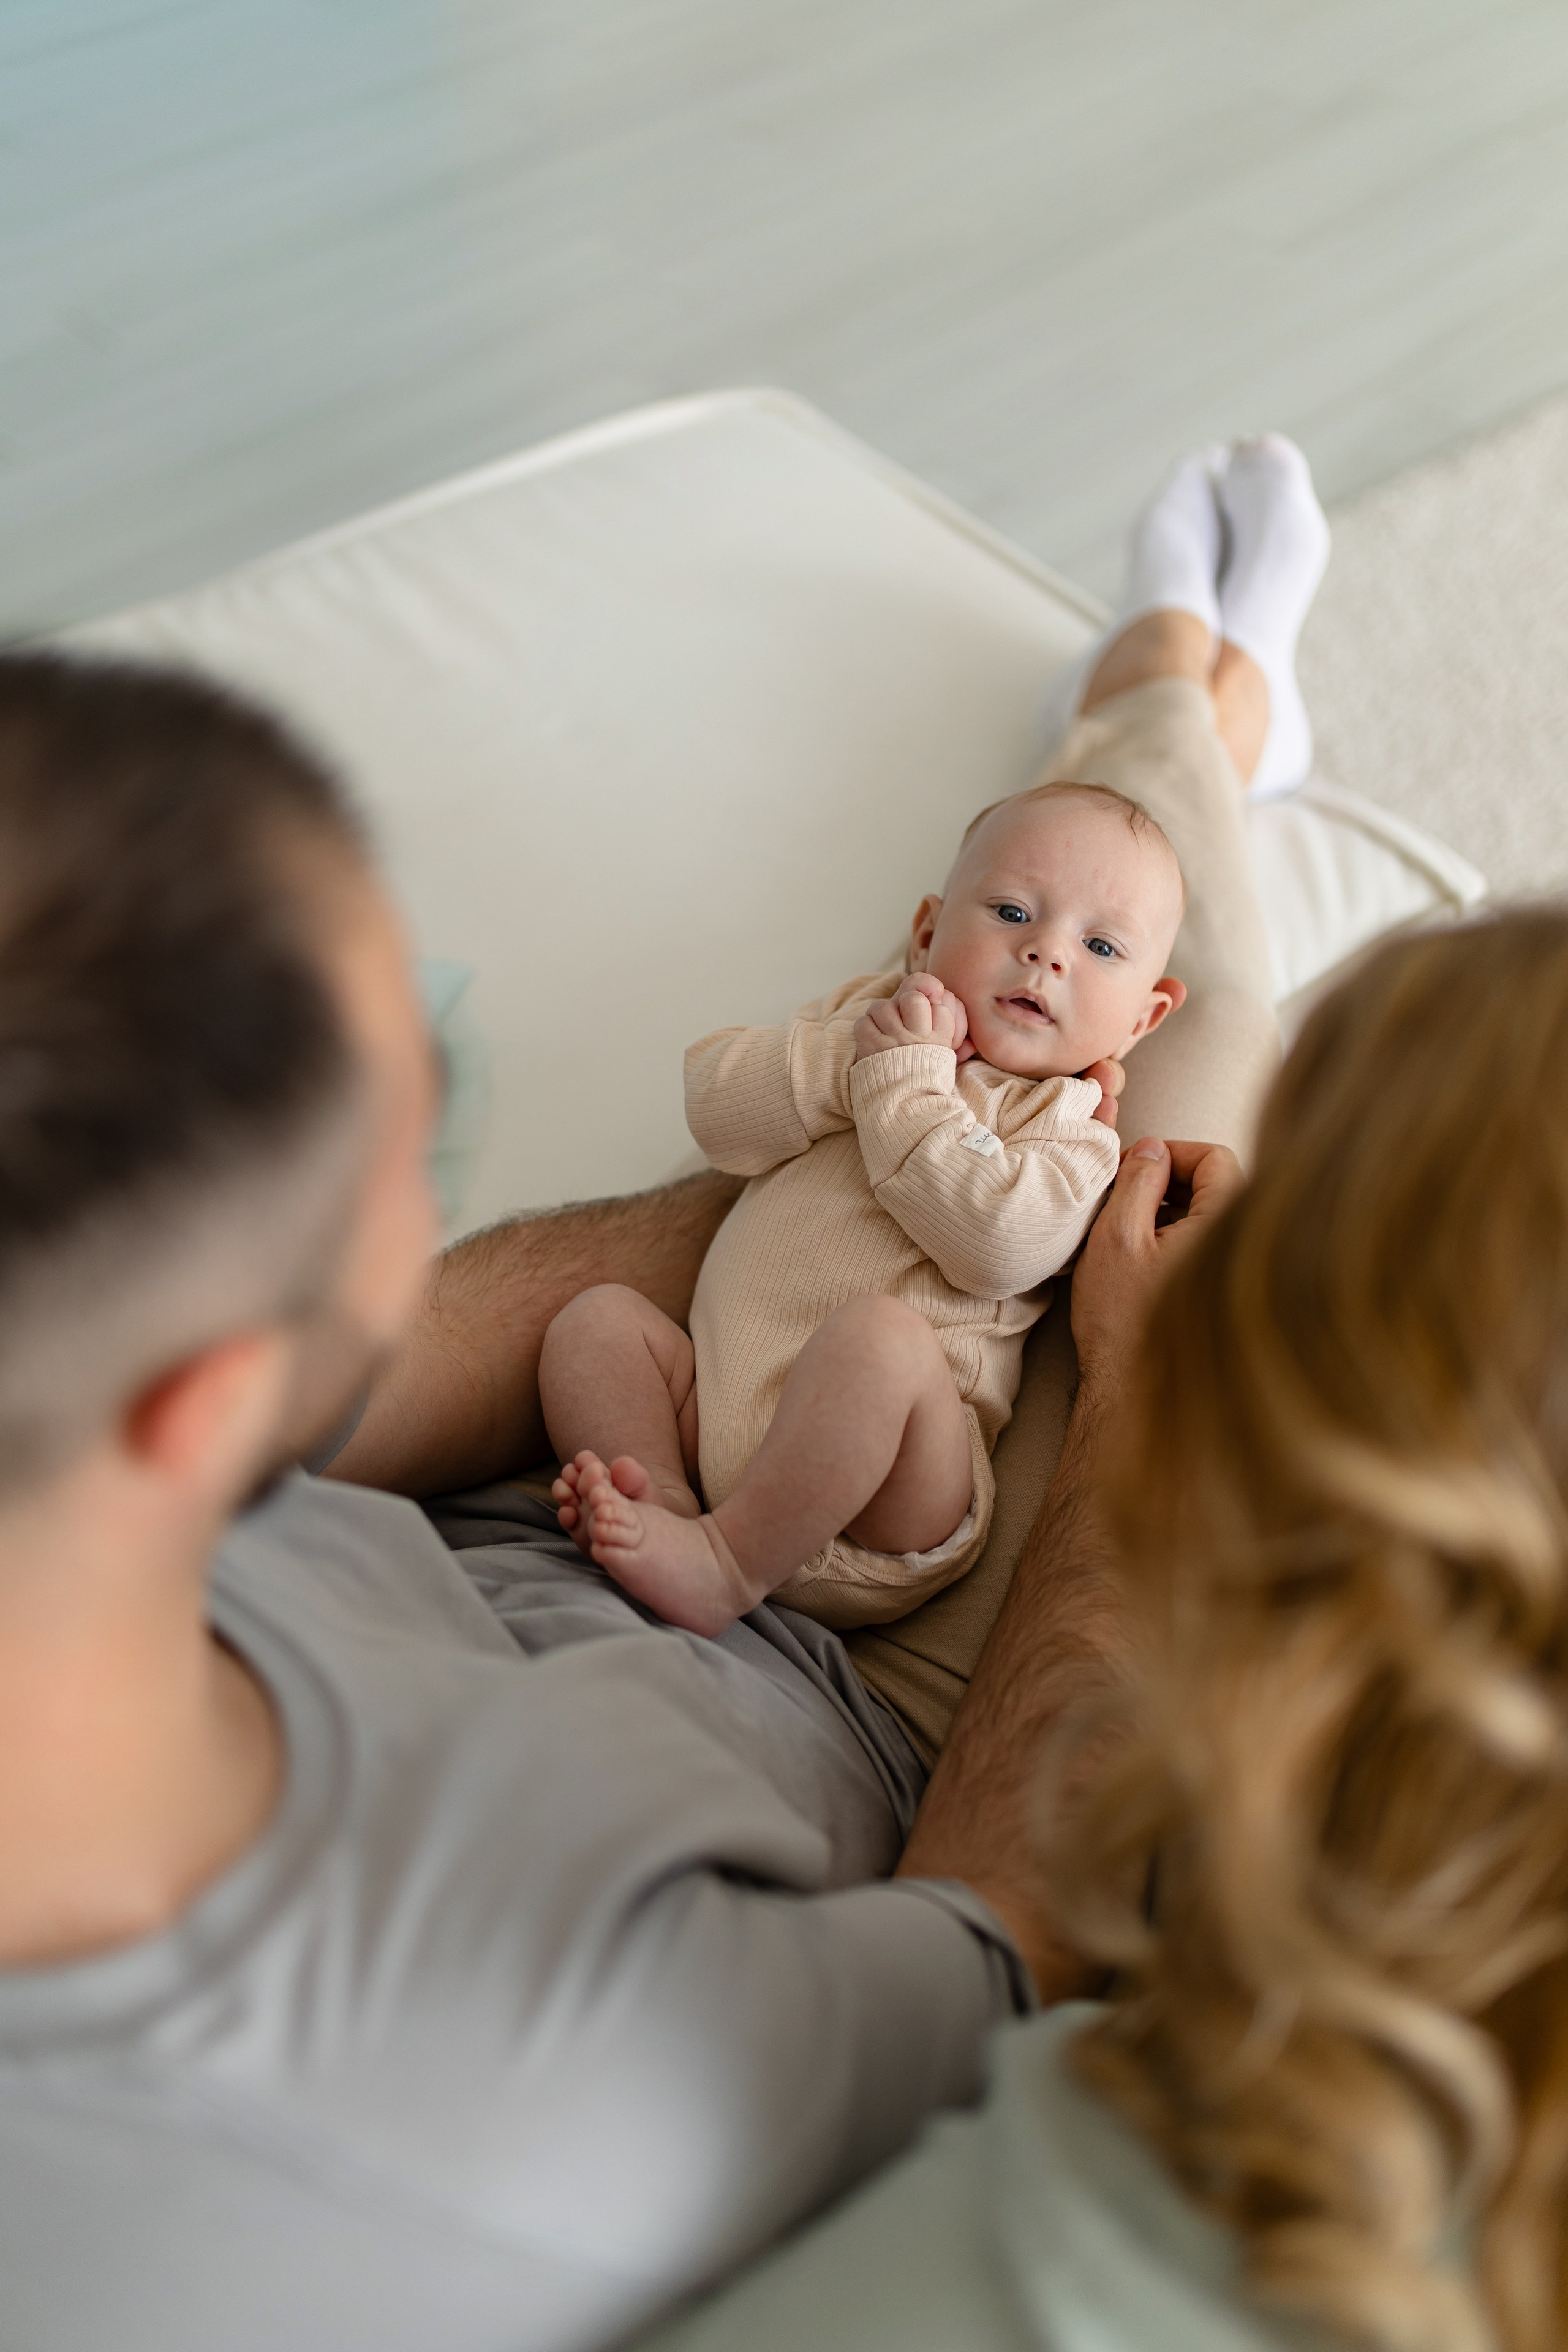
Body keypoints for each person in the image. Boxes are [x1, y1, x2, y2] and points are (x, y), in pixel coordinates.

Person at [0, 432, 1316, 2351]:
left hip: (650, 1447)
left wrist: (845, 1165)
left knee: (1052, 947)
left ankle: (1178, 694)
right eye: (410, 1174)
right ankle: (1185, 695)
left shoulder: (126, 1481)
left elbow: (435, 1334)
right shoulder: (585, 2088)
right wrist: (1142, 1412)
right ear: (210, 1399)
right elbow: (1009, 1936)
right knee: (1222, 1099)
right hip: (882, 1652)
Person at [636, 908, 1568, 2352]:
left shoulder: (1102, 2203)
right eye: (998, 919)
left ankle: (1180, 699)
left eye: (1288, 1244)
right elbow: (729, 1100)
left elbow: (960, 1974)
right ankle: (1182, 696)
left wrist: (1133, 1394)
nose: (1037, 954)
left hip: (865, 1596)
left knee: (1219, 1013)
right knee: (1217, 991)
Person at [541, 778, 1184, 1640]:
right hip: (718, 1410)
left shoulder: (1071, 1127)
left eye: (1102, 947)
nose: (1047, 954)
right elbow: (717, 1114)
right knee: (596, 1325)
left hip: (889, 1493)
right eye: (1010, 912)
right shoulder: (861, 1021)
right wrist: (851, 1055)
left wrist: (903, 1084)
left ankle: (727, 1566)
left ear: (1144, 1018)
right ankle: (660, 1509)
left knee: (882, 1343)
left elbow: (999, 1248)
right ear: (927, 935)